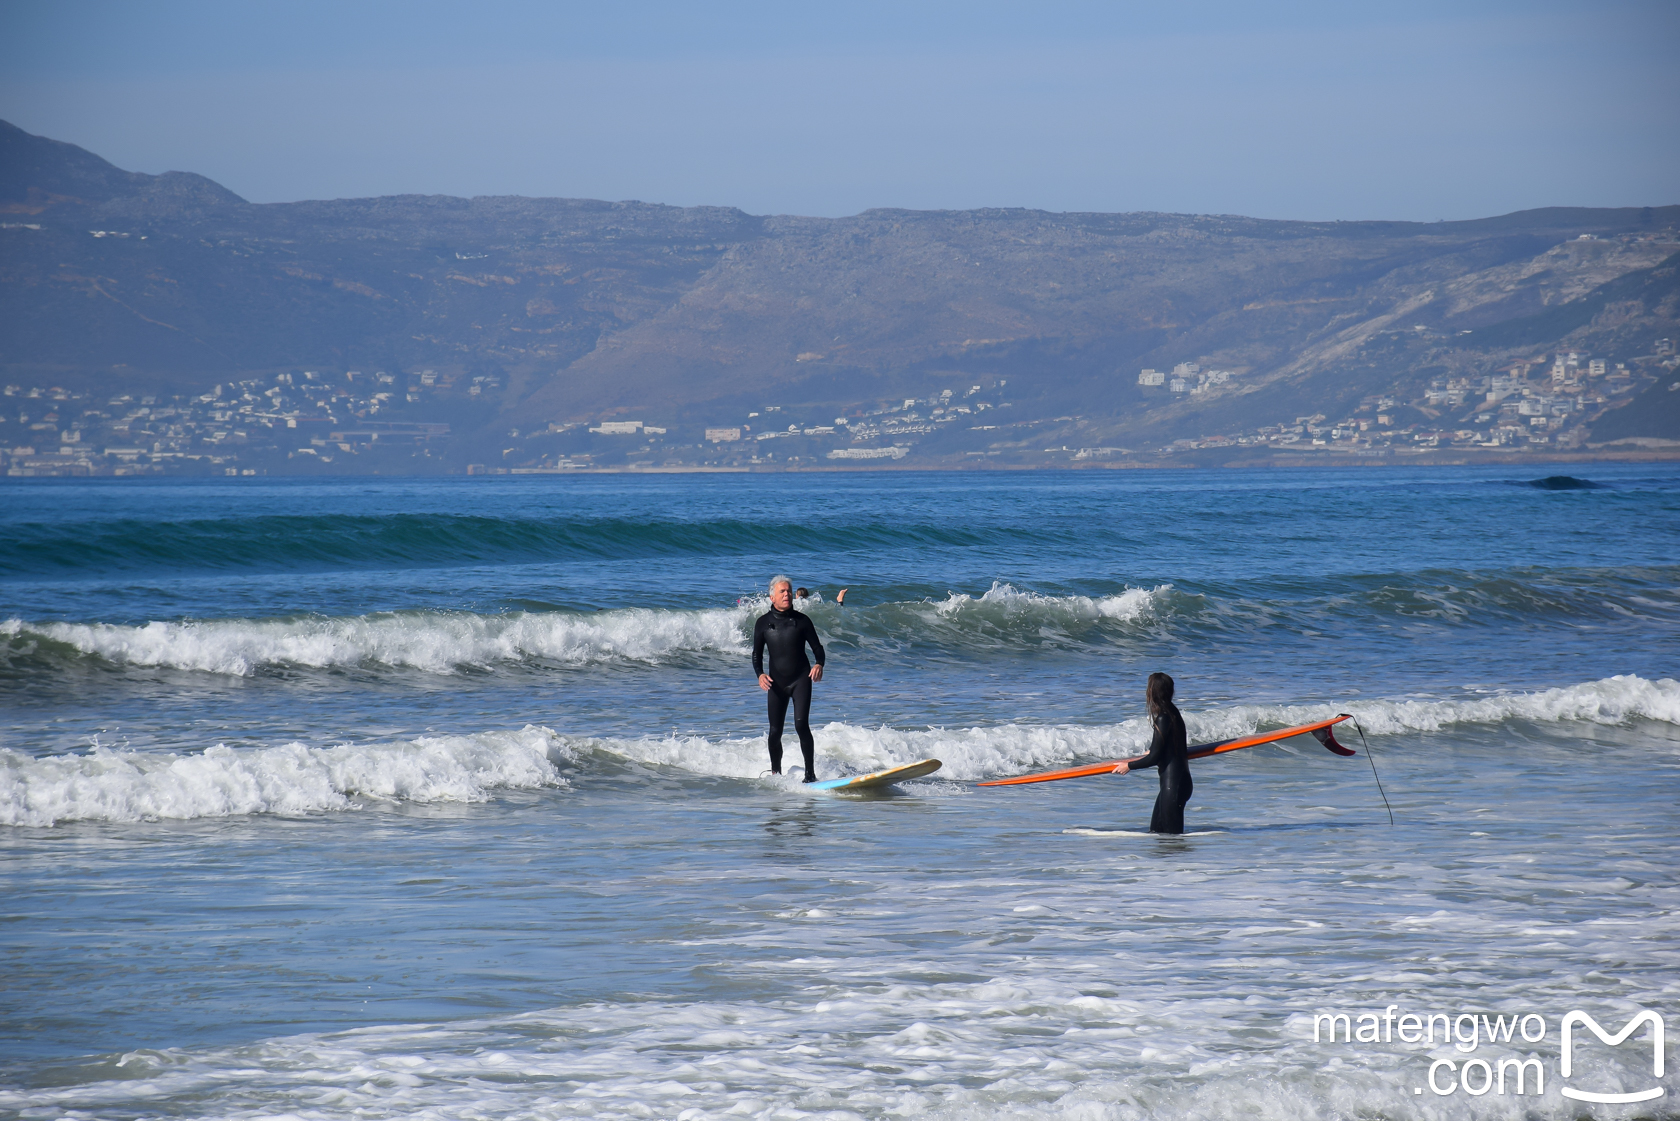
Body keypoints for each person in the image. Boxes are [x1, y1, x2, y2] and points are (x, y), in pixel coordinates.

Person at [752, 575, 826, 780]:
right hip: (776, 683)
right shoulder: (763, 623)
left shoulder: (802, 621)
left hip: (801, 679)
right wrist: (760, 675)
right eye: (782, 591)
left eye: (788, 591)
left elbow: (818, 649)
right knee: (775, 731)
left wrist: (819, 664)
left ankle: (810, 775)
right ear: (772, 597)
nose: (787, 594)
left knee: (801, 724)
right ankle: (776, 774)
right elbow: (756, 654)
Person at [1112, 671, 1193, 834]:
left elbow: (1154, 757)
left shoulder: (1163, 717)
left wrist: (1128, 766)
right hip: (1176, 783)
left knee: (1171, 840)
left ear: (1153, 692)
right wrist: (1154, 749)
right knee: (1157, 833)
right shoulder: (1173, 712)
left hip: (1174, 786)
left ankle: (1181, 861)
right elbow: (1163, 747)